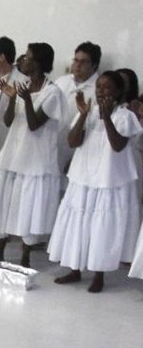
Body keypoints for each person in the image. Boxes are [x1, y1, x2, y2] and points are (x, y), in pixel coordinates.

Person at [48, 71, 142, 293]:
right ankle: (75, 268)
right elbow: (73, 141)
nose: (100, 91)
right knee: (78, 224)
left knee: (102, 227)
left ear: (118, 91)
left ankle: (98, 274)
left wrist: (106, 117)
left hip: (109, 180)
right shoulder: (89, 111)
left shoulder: (125, 116)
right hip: (83, 177)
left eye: (107, 87)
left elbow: (118, 145)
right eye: (99, 87)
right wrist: (82, 115)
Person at [0, 42, 66, 268]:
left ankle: (25, 256)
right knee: (3, 201)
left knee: (27, 206)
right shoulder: (23, 85)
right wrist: (11, 98)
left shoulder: (52, 92)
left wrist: (26, 99)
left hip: (35, 160)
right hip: (12, 154)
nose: (21, 61)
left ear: (37, 62)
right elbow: (9, 121)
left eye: (26, 57)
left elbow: (35, 124)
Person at [55, 41, 101, 172]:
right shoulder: (61, 82)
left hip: (78, 154)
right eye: (75, 60)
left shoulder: (98, 90)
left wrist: (75, 157)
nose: (77, 65)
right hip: (54, 149)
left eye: (83, 62)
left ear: (94, 65)